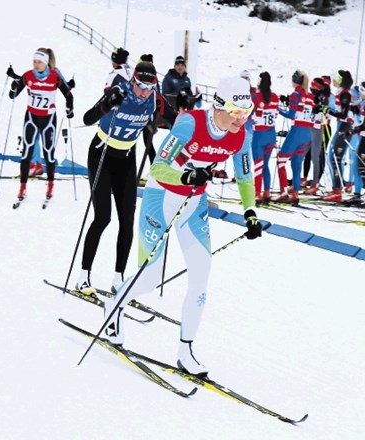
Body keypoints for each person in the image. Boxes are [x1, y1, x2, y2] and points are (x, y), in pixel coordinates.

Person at [102, 76, 262, 377]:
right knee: (149, 279)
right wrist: (187, 177)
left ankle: (186, 350)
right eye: (236, 113)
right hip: (160, 196)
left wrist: (250, 212)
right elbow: (158, 167)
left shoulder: (241, 135)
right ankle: (114, 306)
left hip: (194, 204)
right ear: (219, 106)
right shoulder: (190, 123)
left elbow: (243, 174)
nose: (242, 119)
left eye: (247, 112)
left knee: (201, 276)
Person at [76, 62, 177, 294]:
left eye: (149, 87)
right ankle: (83, 276)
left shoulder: (155, 100)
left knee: (127, 220)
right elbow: (87, 118)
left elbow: (179, 122)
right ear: (132, 81)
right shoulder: (118, 92)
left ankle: (118, 279)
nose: (143, 92)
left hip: (127, 159)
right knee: (103, 218)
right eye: (140, 85)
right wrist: (106, 105)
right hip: (101, 152)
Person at [7, 48, 74, 200]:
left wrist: (70, 106)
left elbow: (67, 91)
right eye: (34, 61)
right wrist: (13, 84)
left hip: (48, 118)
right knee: (28, 148)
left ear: (46, 62)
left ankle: (48, 185)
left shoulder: (54, 74)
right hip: (31, 117)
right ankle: (27, 178)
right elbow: (20, 88)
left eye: (39, 62)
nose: (36, 64)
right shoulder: (30, 74)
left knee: (47, 151)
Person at [271, 69, 314, 204]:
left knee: (281, 161)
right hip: (307, 133)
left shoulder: (296, 94)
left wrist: (278, 109)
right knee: (296, 164)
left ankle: (284, 192)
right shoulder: (310, 96)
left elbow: (291, 114)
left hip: (297, 131)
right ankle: (295, 193)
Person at [320, 69, 354, 202]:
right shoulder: (341, 92)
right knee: (332, 156)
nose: (333, 80)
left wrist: (329, 111)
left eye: (335, 78)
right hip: (342, 126)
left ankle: (337, 191)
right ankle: (336, 189)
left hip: (345, 127)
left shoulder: (345, 94)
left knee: (335, 157)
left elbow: (344, 114)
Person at [251, 71, 279, 203]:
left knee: (258, 165)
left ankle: (257, 193)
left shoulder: (255, 97)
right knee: (265, 165)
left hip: (259, 134)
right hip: (271, 134)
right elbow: (276, 114)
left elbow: (249, 114)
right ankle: (266, 191)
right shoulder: (275, 97)